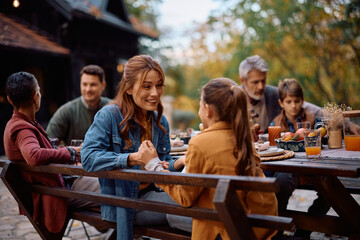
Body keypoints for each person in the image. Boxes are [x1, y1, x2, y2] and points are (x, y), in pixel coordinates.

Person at [141, 78, 278, 240]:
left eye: (199, 106)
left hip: (229, 230)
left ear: (208, 110)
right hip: (260, 226)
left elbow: (185, 198)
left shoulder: (200, 142)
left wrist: (154, 166)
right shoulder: (242, 136)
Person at [80, 55, 192, 240]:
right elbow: (88, 158)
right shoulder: (109, 115)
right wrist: (133, 158)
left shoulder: (159, 120)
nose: (155, 93)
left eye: (159, 85)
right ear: (129, 88)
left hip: (156, 191)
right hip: (125, 202)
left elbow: (163, 163)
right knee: (195, 209)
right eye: (147, 86)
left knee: (200, 203)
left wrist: (178, 162)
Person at [3, 72, 100, 233]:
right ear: (36, 96)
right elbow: (33, 155)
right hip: (56, 194)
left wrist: (72, 150)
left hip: (56, 187)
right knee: (116, 189)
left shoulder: (16, 123)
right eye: (39, 91)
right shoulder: (22, 128)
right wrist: (70, 153)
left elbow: (41, 151)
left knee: (108, 186)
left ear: (9, 99)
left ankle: (107, 227)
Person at [239, 55, 321, 133]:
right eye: (255, 82)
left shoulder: (273, 93)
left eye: (263, 81)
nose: (261, 86)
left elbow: (303, 105)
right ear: (243, 81)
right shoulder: (235, 99)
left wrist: (330, 115)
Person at [46, 65, 111, 145]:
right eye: (84, 84)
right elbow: (47, 141)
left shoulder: (114, 108)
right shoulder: (66, 111)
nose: (88, 89)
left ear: (103, 86)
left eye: (93, 85)